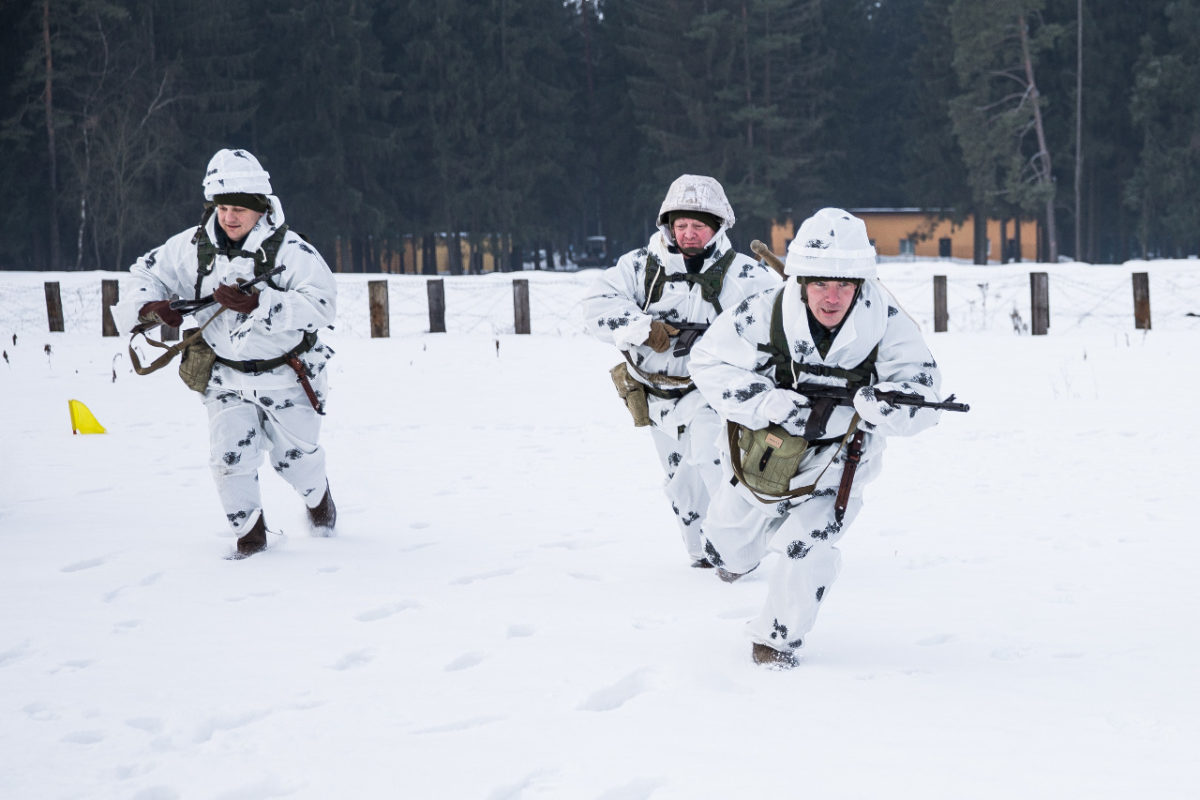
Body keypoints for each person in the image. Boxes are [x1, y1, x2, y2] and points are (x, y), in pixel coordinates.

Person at [689, 208, 944, 668]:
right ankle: (734, 557)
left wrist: (885, 407)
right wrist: (762, 401)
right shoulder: (766, 312)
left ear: (861, 284)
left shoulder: (887, 323)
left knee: (805, 547)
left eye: (843, 285)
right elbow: (706, 361)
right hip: (763, 452)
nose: (831, 297)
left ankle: (776, 640)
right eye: (820, 284)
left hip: (840, 461)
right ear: (802, 281)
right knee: (725, 541)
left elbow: (924, 398)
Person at [114, 148, 338, 558]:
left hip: (287, 375)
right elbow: (146, 272)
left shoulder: (293, 252)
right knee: (229, 458)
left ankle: (319, 505)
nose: (229, 217)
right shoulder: (191, 247)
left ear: (261, 209)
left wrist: (261, 303)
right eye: (223, 207)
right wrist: (151, 306)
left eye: (239, 208)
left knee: (296, 461)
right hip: (225, 378)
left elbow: (323, 306)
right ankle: (250, 540)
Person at [583, 174, 781, 567]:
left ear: (717, 226)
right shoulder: (640, 267)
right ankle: (701, 554)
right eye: (682, 225)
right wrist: (643, 329)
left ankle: (735, 554)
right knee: (681, 485)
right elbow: (595, 307)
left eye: (698, 225)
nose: (689, 233)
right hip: (656, 399)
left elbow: (777, 327)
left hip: (713, 398)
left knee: (716, 466)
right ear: (669, 226)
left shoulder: (744, 275)